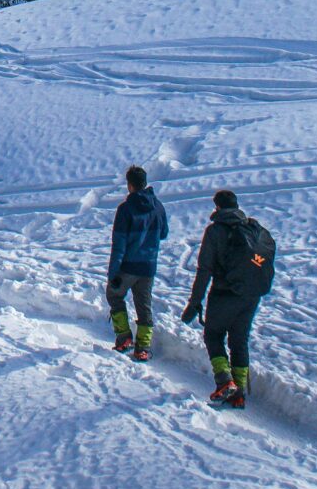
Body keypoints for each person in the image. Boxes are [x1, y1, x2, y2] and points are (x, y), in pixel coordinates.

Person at [180, 189, 276, 407]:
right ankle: (239, 391)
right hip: (251, 294)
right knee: (239, 340)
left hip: (224, 293)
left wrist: (195, 302)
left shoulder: (215, 231)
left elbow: (205, 269)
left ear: (217, 207)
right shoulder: (254, 228)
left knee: (213, 335)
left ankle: (224, 380)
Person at [105, 165, 169, 361]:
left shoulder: (125, 209)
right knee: (144, 305)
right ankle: (143, 347)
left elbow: (119, 244)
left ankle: (124, 337)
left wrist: (113, 274)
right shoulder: (157, 206)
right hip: (148, 266)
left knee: (114, 295)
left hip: (128, 266)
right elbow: (164, 233)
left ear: (129, 185)